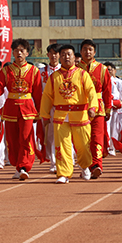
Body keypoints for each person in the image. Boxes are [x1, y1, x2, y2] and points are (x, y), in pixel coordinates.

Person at [39, 45, 99, 184]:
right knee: (62, 145)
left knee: (83, 145)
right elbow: (47, 96)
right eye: (64, 54)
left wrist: (93, 107)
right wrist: (45, 115)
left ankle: (84, 166)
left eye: (69, 54)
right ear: (60, 57)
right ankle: (64, 173)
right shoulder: (54, 77)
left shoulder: (82, 74)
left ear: (74, 57)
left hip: (80, 115)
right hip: (61, 115)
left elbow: (91, 91)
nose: (66, 57)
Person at [0, 39, 43, 180]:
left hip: (27, 109)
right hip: (11, 108)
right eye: (16, 50)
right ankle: (17, 164)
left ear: (27, 53)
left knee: (26, 138)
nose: (19, 53)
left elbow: (37, 94)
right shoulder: (6, 70)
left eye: (22, 50)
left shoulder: (34, 71)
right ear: (13, 52)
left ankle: (24, 166)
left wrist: (41, 111)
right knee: (12, 140)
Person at [79, 40, 112, 179]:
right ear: (81, 52)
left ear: (95, 52)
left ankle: (97, 165)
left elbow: (107, 90)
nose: (88, 52)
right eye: (85, 49)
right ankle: (85, 166)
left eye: (90, 49)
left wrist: (109, 108)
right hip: (80, 108)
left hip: (98, 108)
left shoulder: (102, 69)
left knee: (97, 138)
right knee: (82, 139)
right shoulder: (76, 69)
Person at [40, 44, 62, 171]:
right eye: (51, 53)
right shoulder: (41, 72)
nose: (54, 56)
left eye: (56, 53)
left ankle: (66, 159)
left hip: (63, 107)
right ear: (47, 55)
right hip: (47, 107)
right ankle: (53, 162)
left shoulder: (64, 70)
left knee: (64, 134)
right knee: (50, 135)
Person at [105, 62, 122, 156]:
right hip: (106, 108)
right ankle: (108, 147)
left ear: (114, 70)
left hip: (117, 109)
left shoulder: (119, 82)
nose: (108, 71)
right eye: (106, 70)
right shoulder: (103, 80)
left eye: (109, 69)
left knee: (116, 129)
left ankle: (113, 146)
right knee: (107, 128)